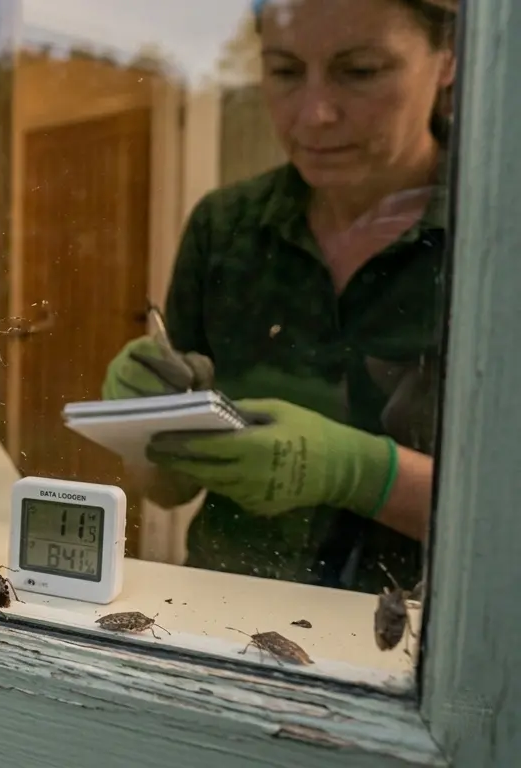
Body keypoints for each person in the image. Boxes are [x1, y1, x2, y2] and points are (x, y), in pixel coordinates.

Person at [101, 0, 456, 593]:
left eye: (361, 71)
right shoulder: (228, 228)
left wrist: (364, 474)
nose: (315, 114)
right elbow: (167, 489)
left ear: (446, 59)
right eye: (286, 72)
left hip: (422, 647)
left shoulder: (494, 243)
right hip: (229, 614)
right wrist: (142, 424)